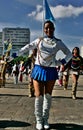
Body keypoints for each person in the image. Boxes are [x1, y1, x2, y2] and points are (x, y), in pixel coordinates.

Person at [19, 20, 72, 130]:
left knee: (48, 96)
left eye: (51, 27)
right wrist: (16, 53)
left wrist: (61, 62)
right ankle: (38, 120)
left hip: (51, 70)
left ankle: (45, 119)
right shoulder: (39, 40)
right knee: (39, 96)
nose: (49, 29)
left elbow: (69, 54)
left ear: (54, 29)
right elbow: (27, 47)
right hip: (38, 69)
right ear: (44, 29)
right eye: (46, 28)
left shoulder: (58, 42)